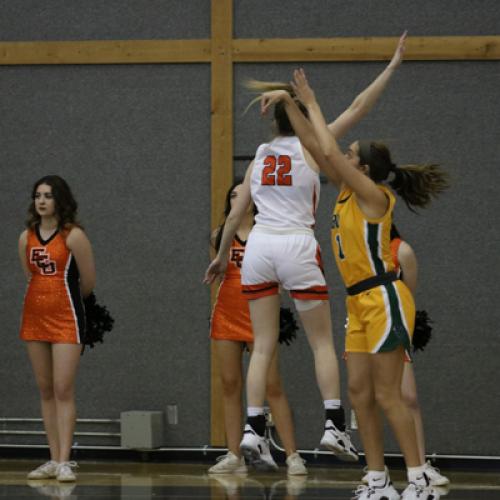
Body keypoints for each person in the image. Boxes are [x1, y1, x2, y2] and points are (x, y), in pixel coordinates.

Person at [204, 33, 408, 464]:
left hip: (258, 247)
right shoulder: (314, 148)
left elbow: (238, 206)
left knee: (262, 344)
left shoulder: (260, 154)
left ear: (272, 121)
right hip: (296, 245)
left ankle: (253, 428)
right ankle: (334, 424)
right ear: (297, 114)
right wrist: (391, 68)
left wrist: (222, 256)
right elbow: (358, 107)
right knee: (320, 343)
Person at [269, 68, 449, 499]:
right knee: (358, 392)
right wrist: (288, 105)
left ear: (364, 168)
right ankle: (377, 478)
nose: (342, 157)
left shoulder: (373, 196)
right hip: (357, 303)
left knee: (388, 394)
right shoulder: (347, 193)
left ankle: (418, 474)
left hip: (384, 296)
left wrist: (310, 101)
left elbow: (326, 148)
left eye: (351, 155)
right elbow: (315, 145)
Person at [208, 180, 306, 476]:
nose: (238, 197)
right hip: (226, 312)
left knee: (272, 385)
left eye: (243, 193)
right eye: (233, 194)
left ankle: (293, 456)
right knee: (229, 384)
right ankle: (233, 454)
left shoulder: (269, 234)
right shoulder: (218, 235)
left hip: (260, 314)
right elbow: (218, 273)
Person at [19, 175, 95, 482]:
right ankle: (52, 458)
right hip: (34, 317)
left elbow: (87, 283)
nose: (41, 201)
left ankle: (65, 461)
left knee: (63, 389)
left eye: (48, 196)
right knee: (46, 389)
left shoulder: (74, 236)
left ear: (60, 200)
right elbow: (30, 275)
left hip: (67, 316)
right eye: (38, 195)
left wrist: (66, 301)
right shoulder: (26, 237)